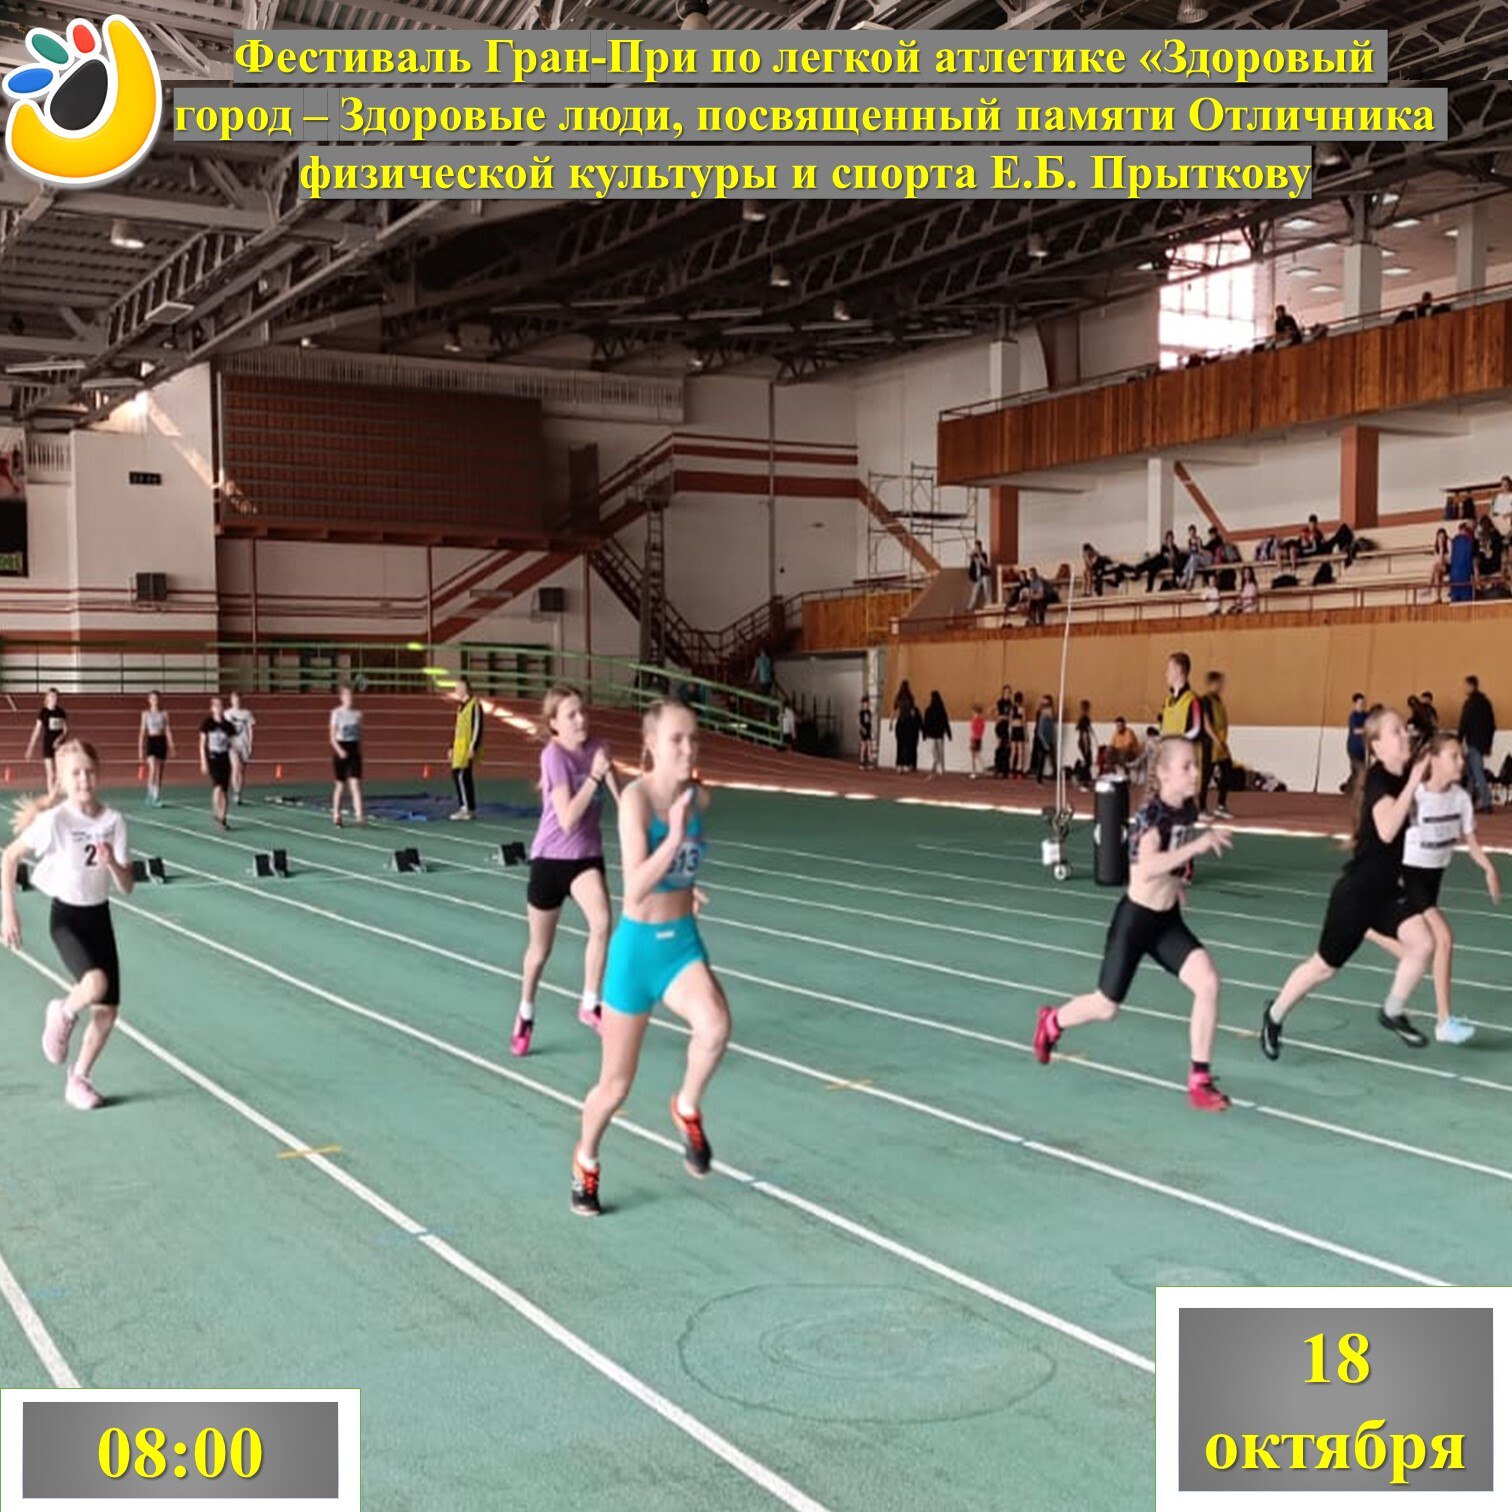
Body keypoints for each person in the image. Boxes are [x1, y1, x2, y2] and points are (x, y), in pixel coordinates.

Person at [570, 701, 731, 1218]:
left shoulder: (696, 796)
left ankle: (686, 1106)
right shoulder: (637, 801)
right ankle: (586, 1159)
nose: (688, 748)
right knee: (615, 1085)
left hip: (680, 944)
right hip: (637, 953)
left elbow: (676, 869)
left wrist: (686, 884)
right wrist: (675, 838)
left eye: (694, 739)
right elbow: (636, 888)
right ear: (652, 745)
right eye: (677, 739)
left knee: (715, 1026)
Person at [1033, 737, 1232, 1112]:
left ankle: (1199, 1080)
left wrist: (1178, 883)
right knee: (1106, 1007)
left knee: (1208, 983)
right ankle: (1052, 1021)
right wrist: (1197, 847)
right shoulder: (1151, 817)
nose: (1195, 772)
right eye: (1187, 766)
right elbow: (1146, 867)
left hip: (1166, 920)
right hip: (1136, 921)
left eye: (1196, 764)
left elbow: (1170, 861)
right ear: (1163, 774)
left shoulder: (1187, 807)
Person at [1258, 707, 1437, 1060]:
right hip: (1356, 895)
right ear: (1377, 745)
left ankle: (1392, 1011)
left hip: (1386, 892)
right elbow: (1387, 830)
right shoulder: (1379, 779)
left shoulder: (1403, 775)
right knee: (1323, 967)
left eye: (1404, 729)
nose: (1405, 734)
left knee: (1423, 943)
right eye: (1396, 731)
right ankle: (1274, 1016)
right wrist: (1415, 781)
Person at [1, 739, 133, 1110]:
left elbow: (127, 886)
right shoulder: (55, 820)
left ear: (98, 773)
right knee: (95, 984)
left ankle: (79, 1079)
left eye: (89, 772)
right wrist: (8, 911)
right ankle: (61, 1011)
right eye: (75, 773)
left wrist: (112, 862)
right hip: (67, 919)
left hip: (99, 917)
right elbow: (9, 856)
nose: (84, 779)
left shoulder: (113, 822)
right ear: (62, 779)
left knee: (107, 1012)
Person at [1366, 734, 1500, 1047]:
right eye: (1454, 756)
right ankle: (1444, 1022)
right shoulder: (1415, 797)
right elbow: (1385, 832)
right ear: (1434, 760)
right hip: (1409, 875)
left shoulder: (1461, 798)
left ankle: (1369, 930)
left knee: (1422, 954)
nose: (1461, 762)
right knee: (1444, 938)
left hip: (1433, 878)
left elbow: (1471, 842)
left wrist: (1488, 868)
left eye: (1462, 756)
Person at [514, 686, 620, 1058]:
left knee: (602, 922)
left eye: (582, 712)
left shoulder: (600, 748)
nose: (580, 719)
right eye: (571, 715)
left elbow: (622, 799)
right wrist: (593, 778)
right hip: (550, 860)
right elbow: (568, 819)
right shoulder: (554, 756)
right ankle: (526, 1011)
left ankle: (590, 1003)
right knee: (539, 952)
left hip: (585, 857)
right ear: (554, 724)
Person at [329, 684, 366, 827]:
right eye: (346, 695)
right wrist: (340, 751)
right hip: (341, 748)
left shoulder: (358, 714)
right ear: (341, 697)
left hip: (354, 749)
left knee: (355, 784)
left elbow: (359, 735)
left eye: (351, 695)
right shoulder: (336, 713)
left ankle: (359, 815)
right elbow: (332, 737)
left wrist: (358, 751)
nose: (349, 698)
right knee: (340, 785)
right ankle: (336, 815)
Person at [1458, 675, 1496, 813]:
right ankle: (1467, 803)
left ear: (1472, 686)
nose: (1464, 688)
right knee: (1472, 774)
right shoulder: (1486, 703)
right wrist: (1488, 744)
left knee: (1476, 773)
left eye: (1466, 686)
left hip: (1473, 743)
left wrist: (1458, 740)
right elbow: (1492, 725)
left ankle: (1486, 802)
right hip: (1481, 743)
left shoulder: (1470, 704)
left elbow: (1464, 723)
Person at [198, 696, 237, 830]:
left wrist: (235, 761)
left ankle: (223, 818)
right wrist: (203, 761)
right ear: (212, 708)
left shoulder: (228, 726)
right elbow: (202, 744)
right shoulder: (207, 723)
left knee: (224, 791)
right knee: (217, 787)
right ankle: (216, 811)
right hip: (213, 757)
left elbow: (232, 745)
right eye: (216, 706)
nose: (218, 708)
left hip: (225, 758)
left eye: (220, 706)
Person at [1201, 671, 1235, 820]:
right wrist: (1215, 740)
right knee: (1206, 776)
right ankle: (1201, 808)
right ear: (1212, 683)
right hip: (1210, 743)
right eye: (1219, 683)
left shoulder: (1218, 700)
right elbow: (1206, 723)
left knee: (1228, 771)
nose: (1222, 686)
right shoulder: (1205, 700)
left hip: (1221, 743)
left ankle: (1221, 805)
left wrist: (1222, 742)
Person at [449, 675, 484, 820]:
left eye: (458, 687)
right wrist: (451, 746)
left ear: (465, 688)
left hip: (467, 746)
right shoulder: (460, 707)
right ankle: (468, 806)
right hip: (459, 747)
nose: (456, 690)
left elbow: (477, 727)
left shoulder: (474, 705)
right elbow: (457, 728)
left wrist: (473, 747)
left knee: (462, 775)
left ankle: (466, 808)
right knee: (460, 775)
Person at [24, 688, 69, 793]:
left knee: (60, 773)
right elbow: (37, 730)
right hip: (48, 745)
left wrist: (59, 739)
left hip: (59, 745)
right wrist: (30, 748)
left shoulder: (61, 712)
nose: (54, 699)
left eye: (56, 696)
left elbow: (66, 730)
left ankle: (56, 793)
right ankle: (51, 795)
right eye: (52, 696)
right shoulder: (43, 713)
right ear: (47, 698)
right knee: (51, 774)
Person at [137, 691, 175, 807]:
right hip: (151, 741)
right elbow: (142, 731)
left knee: (159, 772)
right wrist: (140, 748)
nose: (155, 701)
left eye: (157, 698)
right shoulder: (145, 714)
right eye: (152, 698)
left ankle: (156, 797)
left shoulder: (164, 714)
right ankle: (149, 795)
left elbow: (167, 730)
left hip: (161, 741)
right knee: (152, 768)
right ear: (149, 700)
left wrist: (171, 746)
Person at [1159, 652, 1204, 744]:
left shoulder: (1193, 701)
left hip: (1184, 751)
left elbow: (1196, 730)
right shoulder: (1168, 701)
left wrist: (1175, 740)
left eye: (1169, 669)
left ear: (1178, 671)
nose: (1166, 673)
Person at [224, 690, 256, 807]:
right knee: (236, 767)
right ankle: (235, 792)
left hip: (244, 744)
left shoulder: (247, 713)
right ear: (231, 700)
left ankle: (239, 793)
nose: (236, 701)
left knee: (242, 771)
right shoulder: (227, 713)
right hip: (232, 745)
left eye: (238, 699)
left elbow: (250, 729)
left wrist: (250, 744)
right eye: (234, 699)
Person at [1343, 692, 1368, 797]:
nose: (1362, 705)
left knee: (1356, 771)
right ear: (1355, 704)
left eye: (1363, 703)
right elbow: (1356, 730)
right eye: (1360, 703)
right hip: (1353, 747)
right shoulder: (1353, 717)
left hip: (1363, 748)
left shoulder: (1366, 715)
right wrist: (1367, 729)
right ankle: (1356, 792)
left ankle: (1347, 787)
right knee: (1360, 769)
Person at [922, 691, 951, 777]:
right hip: (939, 734)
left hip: (932, 734)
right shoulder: (941, 710)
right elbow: (946, 722)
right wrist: (948, 733)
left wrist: (924, 734)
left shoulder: (929, 710)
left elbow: (925, 723)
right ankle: (940, 767)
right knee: (940, 751)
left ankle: (937, 765)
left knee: (933, 751)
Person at [1031, 695, 1056, 784]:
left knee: (1051, 757)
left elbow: (1051, 730)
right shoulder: (1043, 717)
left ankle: (1054, 773)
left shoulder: (1049, 718)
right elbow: (1040, 732)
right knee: (1041, 758)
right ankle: (1038, 778)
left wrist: (1052, 740)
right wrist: (1045, 743)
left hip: (1049, 740)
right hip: (1043, 740)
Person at [965, 538, 991, 612]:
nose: (976, 548)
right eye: (976, 547)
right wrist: (972, 556)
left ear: (980, 547)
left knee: (987, 591)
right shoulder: (974, 555)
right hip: (978, 577)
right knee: (974, 591)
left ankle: (988, 605)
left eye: (978, 547)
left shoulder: (984, 554)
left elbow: (985, 565)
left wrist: (979, 555)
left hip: (985, 575)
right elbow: (972, 564)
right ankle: (970, 606)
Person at [1428, 527, 1450, 603]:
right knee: (1436, 572)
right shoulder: (1436, 547)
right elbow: (1437, 560)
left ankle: (1429, 585)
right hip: (1441, 566)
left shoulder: (1449, 544)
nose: (1441, 539)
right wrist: (1440, 548)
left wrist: (1441, 549)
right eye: (1440, 537)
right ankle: (1438, 597)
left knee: (1435, 567)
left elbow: (1449, 559)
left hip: (1449, 566)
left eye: (1443, 537)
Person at [1009, 692, 1027, 778]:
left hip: (1015, 729)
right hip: (1018, 729)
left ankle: (1014, 769)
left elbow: (1011, 721)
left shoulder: (1013, 709)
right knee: (1019, 751)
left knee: (1016, 751)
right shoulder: (1020, 709)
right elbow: (1024, 721)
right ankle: (1018, 769)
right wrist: (1025, 733)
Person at [968, 703, 986, 779]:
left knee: (974, 756)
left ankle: (975, 771)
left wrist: (972, 738)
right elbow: (982, 729)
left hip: (975, 738)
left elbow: (973, 730)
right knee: (977, 755)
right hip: (978, 738)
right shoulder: (982, 720)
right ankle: (981, 768)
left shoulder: (975, 720)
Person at [858, 694, 875, 770]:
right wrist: (862, 728)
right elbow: (859, 722)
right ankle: (861, 761)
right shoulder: (861, 712)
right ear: (862, 704)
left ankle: (869, 761)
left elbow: (870, 721)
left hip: (868, 730)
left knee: (869, 745)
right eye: (865, 704)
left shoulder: (869, 712)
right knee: (863, 746)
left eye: (867, 704)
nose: (866, 705)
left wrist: (871, 730)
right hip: (863, 730)